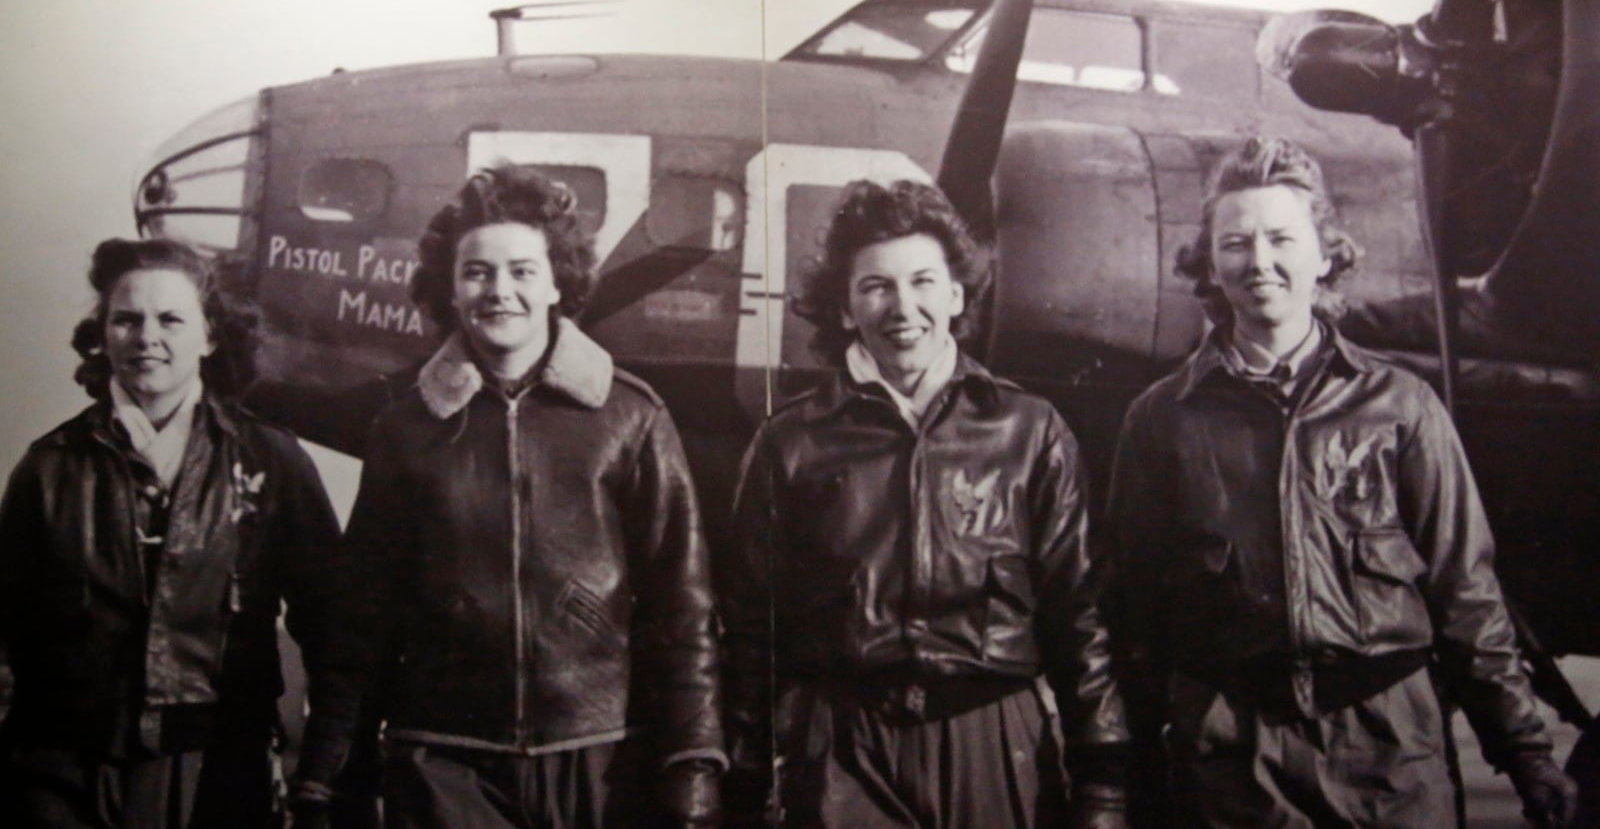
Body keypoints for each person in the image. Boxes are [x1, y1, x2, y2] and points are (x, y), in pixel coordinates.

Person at [1104, 136, 1578, 828]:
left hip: (1391, 754)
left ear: (1325, 255)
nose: (1258, 261)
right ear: (1210, 262)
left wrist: (1527, 753)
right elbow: (1133, 618)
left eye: (1281, 238)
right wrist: (1125, 778)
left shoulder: (1403, 406)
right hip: (1236, 763)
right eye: (1235, 243)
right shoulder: (1160, 421)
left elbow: (1465, 594)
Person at [291, 165, 724, 829]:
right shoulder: (406, 429)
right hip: (446, 768)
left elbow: (683, 607)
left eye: (522, 270)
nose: (500, 291)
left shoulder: (630, 418)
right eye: (478, 272)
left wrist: (693, 763)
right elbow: (362, 619)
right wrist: (325, 775)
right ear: (450, 286)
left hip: (600, 761)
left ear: (557, 281)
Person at [719, 178, 1129, 828]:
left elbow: (1080, 616)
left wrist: (1103, 783)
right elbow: (749, 628)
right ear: (847, 308)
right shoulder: (790, 443)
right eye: (875, 285)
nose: (902, 305)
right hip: (845, 752)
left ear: (957, 295)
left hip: (994, 738)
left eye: (923, 281)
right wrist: (744, 782)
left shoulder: (1029, 430)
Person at [0, 237, 344, 828]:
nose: (145, 337)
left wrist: (322, 774)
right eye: (126, 319)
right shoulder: (49, 467)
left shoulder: (272, 459)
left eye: (170, 319)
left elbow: (335, 630)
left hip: (218, 770)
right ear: (103, 334)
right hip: (62, 774)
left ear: (209, 335)